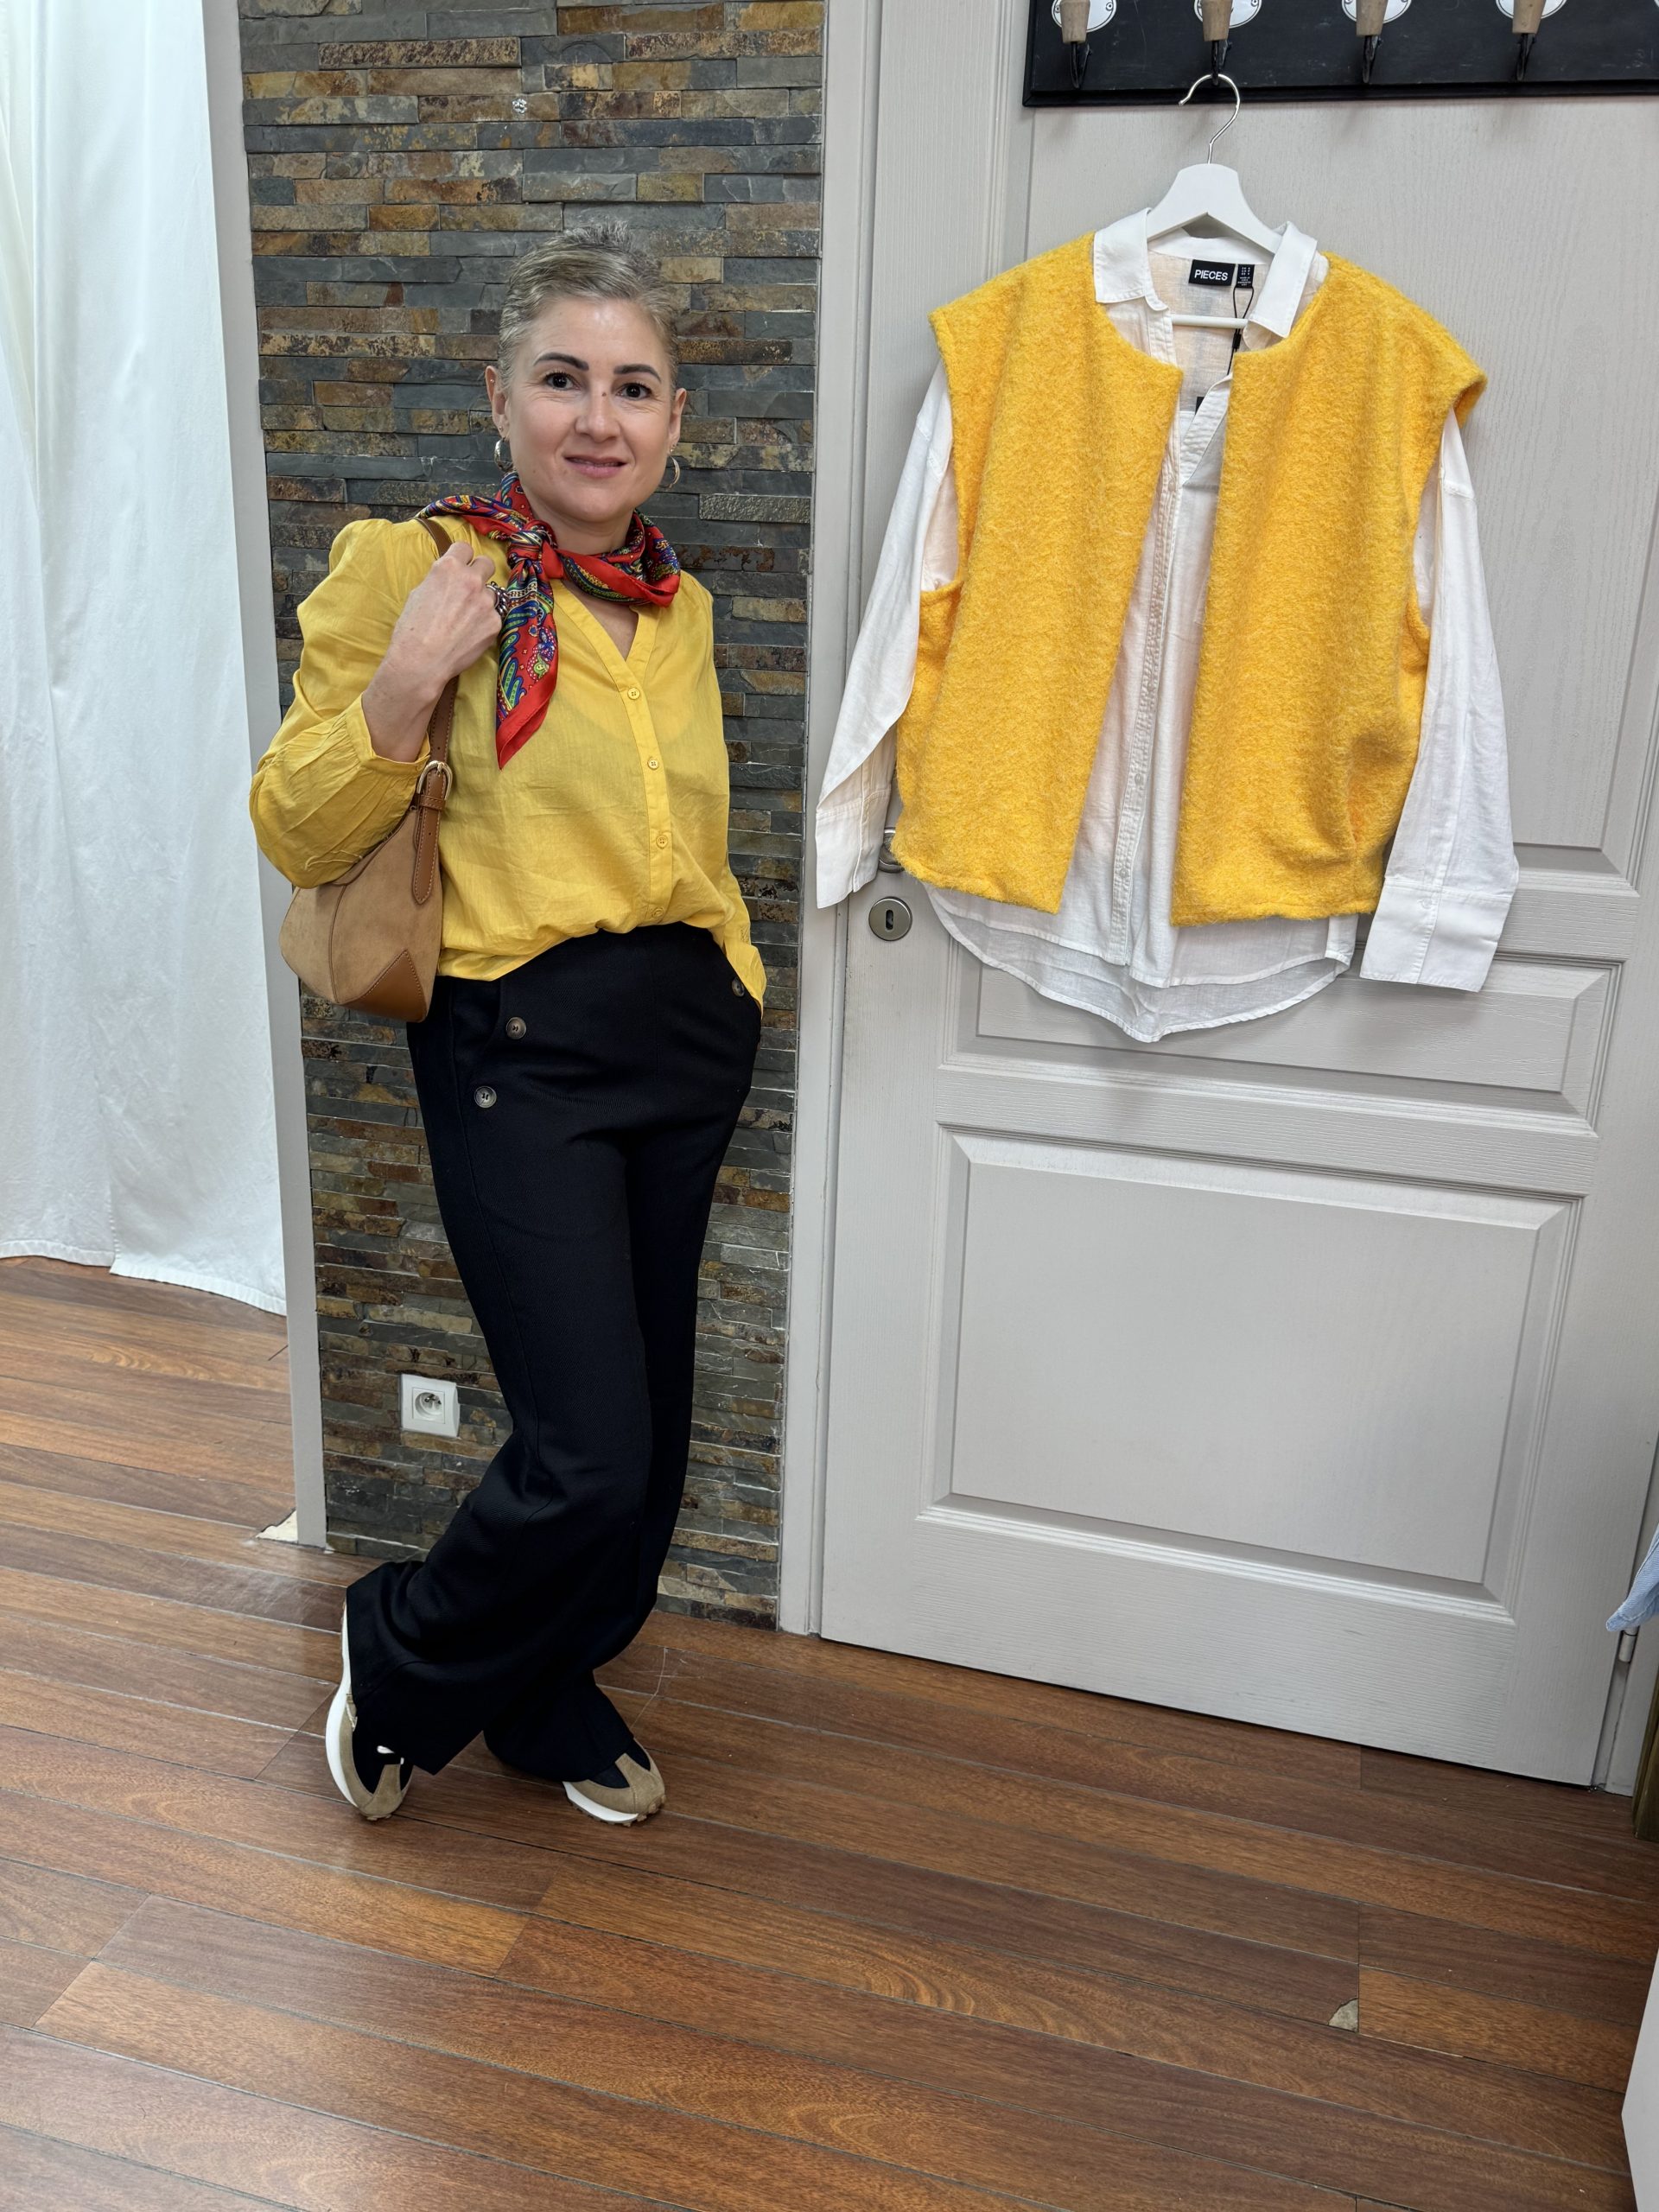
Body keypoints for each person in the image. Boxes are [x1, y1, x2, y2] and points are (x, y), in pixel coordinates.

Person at [250, 226, 764, 1827]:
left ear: (674, 419)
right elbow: (292, 821)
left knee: (649, 1454)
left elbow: (680, 842)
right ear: (499, 398)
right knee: (585, 1450)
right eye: (563, 379)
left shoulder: (677, 603)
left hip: (683, 1039)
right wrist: (408, 681)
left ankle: (547, 1689)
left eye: (635, 386)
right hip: (518, 1049)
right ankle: (403, 1648)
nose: (599, 418)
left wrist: (735, 978)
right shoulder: (414, 570)